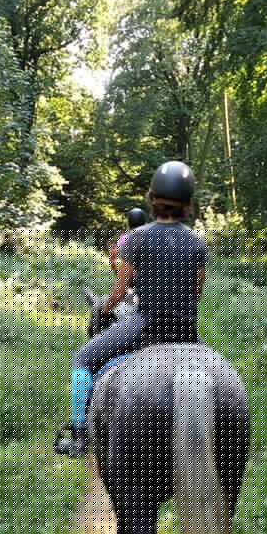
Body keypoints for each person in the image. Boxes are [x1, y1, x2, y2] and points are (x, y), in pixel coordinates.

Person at [55, 161, 209, 457]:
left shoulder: (137, 238)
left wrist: (103, 307)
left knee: (82, 358)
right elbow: (196, 294)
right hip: (185, 331)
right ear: (188, 205)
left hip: (145, 324)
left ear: (152, 200)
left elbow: (119, 290)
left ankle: (79, 435)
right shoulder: (197, 243)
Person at [109, 208, 148, 275]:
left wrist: (118, 273)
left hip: (127, 274)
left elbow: (113, 258)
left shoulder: (123, 238)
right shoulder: (150, 237)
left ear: (128, 224)